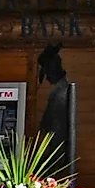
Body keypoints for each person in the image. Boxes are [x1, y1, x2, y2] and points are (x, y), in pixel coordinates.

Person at [35, 45, 77, 180]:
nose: (46, 77)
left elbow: (57, 129)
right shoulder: (60, 91)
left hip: (57, 150)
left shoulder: (62, 93)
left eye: (46, 72)